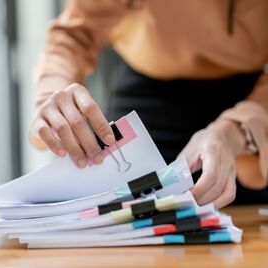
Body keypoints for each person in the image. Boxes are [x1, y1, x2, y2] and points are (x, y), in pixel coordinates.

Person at [29, 0, 268, 208]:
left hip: (255, 113)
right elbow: (76, 33)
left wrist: (235, 133)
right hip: (144, 109)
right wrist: (52, 93)